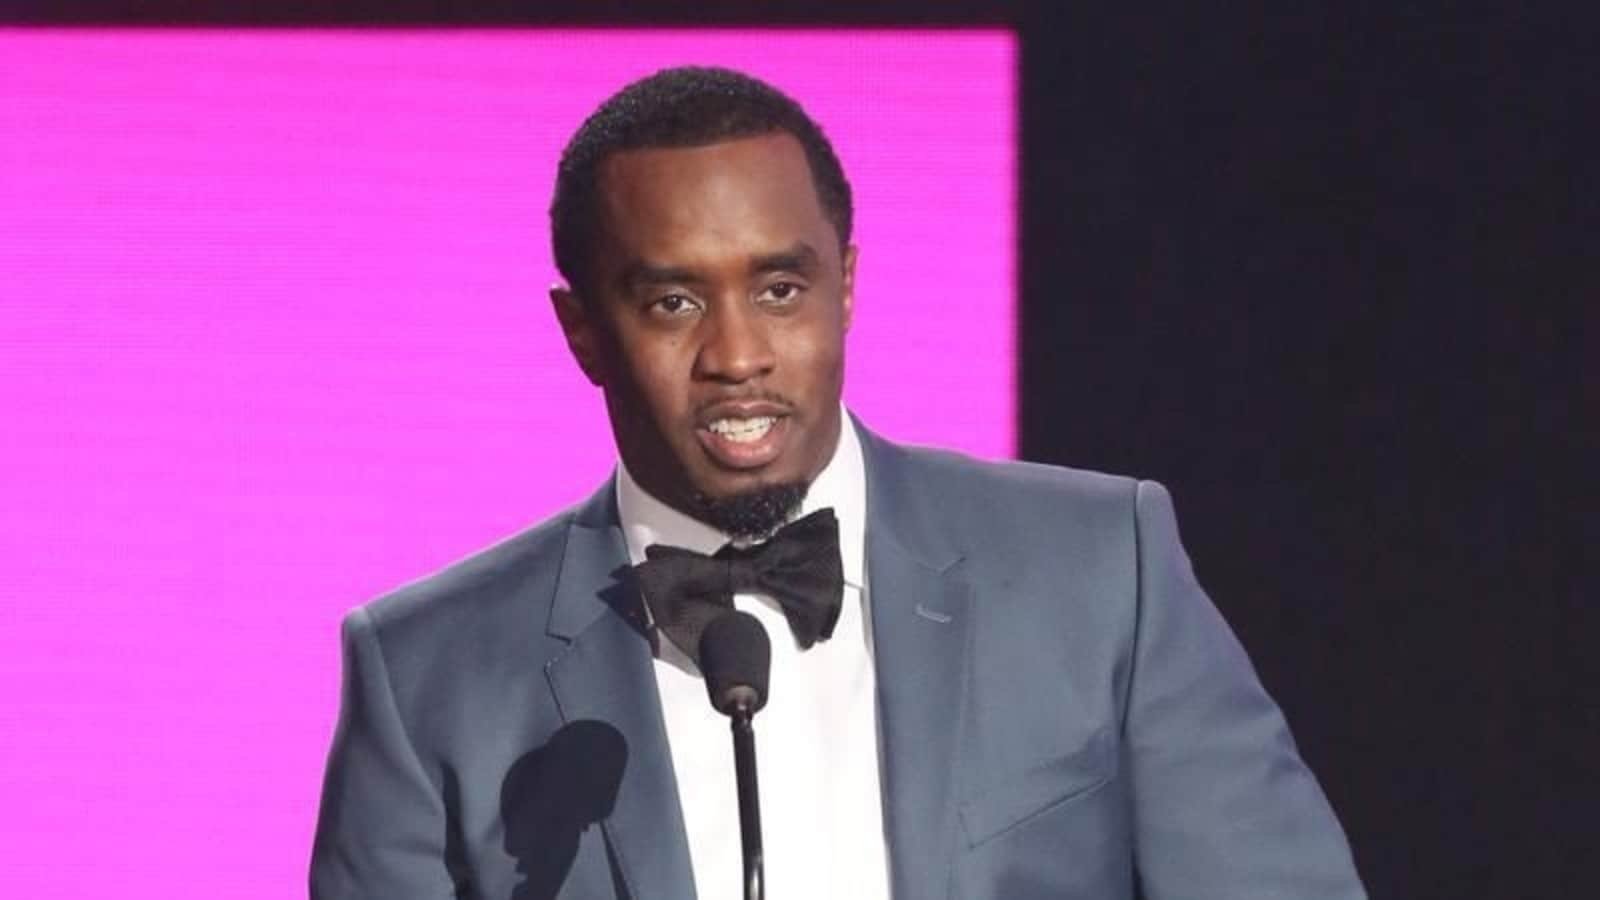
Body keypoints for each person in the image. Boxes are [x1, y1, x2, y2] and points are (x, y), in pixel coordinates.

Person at [310, 66, 1366, 900]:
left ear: (846, 286)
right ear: (582, 330)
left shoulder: (1097, 571)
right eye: (674, 303)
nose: (737, 356)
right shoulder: (428, 677)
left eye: (780, 289)